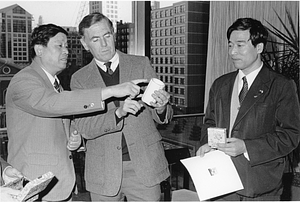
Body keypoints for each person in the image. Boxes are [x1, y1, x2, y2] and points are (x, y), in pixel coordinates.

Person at [5, 23, 146, 201]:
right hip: (34, 186)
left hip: (61, 184)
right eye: (59, 46)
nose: (66, 51)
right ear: (39, 50)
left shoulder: (54, 83)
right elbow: (51, 104)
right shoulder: (24, 80)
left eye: (67, 46)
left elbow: (61, 116)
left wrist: (75, 137)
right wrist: (110, 91)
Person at [70, 12, 173, 201]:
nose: (104, 44)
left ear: (114, 35)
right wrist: (118, 113)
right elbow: (86, 129)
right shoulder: (80, 80)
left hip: (145, 166)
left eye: (107, 36)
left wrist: (161, 107)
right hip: (103, 170)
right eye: (95, 39)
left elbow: (160, 113)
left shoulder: (141, 64)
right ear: (85, 44)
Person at [196, 17, 300, 200]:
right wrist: (207, 143)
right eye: (230, 45)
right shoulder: (220, 84)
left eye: (240, 45)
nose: (233, 52)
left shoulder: (281, 85)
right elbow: (209, 123)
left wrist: (246, 147)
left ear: (259, 47)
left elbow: (290, 135)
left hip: (259, 187)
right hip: (221, 185)